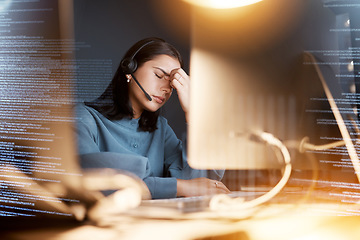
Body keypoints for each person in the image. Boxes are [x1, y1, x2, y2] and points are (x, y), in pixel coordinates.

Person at [75, 37, 230, 199]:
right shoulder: (83, 118)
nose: (166, 89)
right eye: (158, 75)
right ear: (130, 68)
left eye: (171, 83)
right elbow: (90, 180)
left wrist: (194, 115)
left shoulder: (160, 128)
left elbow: (196, 182)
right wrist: (178, 187)